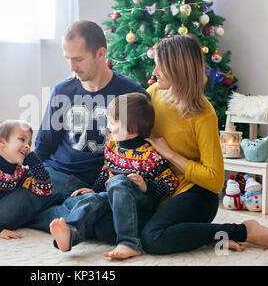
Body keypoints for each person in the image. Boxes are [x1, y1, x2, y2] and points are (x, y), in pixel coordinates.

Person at [0, 20, 148, 241]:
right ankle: (59, 214)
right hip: (53, 176)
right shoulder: (63, 90)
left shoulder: (131, 94)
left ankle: (55, 214)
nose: (72, 67)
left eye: (78, 59)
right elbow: (45, 145)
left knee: (106, 226)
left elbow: (138, 149)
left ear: (101, 53)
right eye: (68, 59)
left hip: (93, 185)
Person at [138, 34, 268, 254]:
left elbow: (215, 180)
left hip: (196, 193)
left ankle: (243, 230)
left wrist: (170, 154)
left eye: (160, 68)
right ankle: (202, 234)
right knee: (112, 226)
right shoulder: (152, 95)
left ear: (178, 69)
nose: (154, 73)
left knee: (153, 239)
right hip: (162, 187)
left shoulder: (203, 113)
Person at [49, 92, 179, 259]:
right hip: (114, 196)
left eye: (112, 122)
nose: (108, 127)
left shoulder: (150, 153)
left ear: (133, 126)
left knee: (118, 182)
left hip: (141, 201)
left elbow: (170, 182)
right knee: (92, 199)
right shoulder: (113, 146)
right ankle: (71, 234)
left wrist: (147, 186)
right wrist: (93, 189)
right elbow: (106, 171)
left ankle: (130, 243)